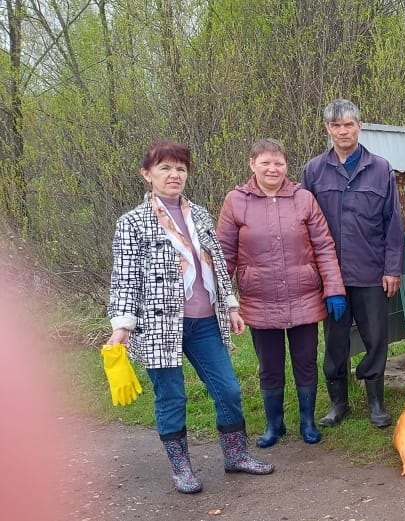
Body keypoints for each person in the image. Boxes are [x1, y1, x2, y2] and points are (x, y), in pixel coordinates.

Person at [106, 140, 274, 494]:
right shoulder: (132, 223)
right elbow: (124, 278)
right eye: (165, 168)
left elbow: (217, 266)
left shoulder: (198, 214)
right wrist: (121, 327)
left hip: (204, 320)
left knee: (228, 389)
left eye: (180, 168)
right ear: (146, 174)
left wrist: (230, 304)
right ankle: (181, 468)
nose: (174, 175)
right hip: (158, 325)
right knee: (172, 396)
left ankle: (236, 455)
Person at [217, 138, 347, 447]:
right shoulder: (236, 201)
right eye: (265, 162)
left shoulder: (303, 199)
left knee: (305, 362)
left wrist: (334, 288)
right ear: (252, 165)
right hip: (259, 299)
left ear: (286, 166)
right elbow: (223, 254)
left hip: (303, 297)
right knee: (270, 367)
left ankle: (307, 422)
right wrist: (224, 300)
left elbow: (324, 248)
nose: (272, 168)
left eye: (278, 163)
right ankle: (274, 426)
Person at [302, 99, 405, 429]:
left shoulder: (379, 168)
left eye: (348, 124)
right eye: (336, 125)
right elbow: (303, 224)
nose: (342, 131)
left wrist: (392, 268)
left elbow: (393, 222)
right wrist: (312, 271)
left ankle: (375, 401)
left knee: (376, 336)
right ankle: (338, 402)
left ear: (359, 126)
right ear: (328, 130)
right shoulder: (314, 170)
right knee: (335, 339)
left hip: (371, 271)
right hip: (331, 276)